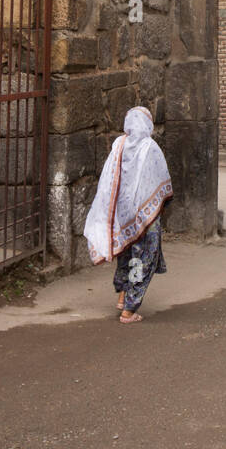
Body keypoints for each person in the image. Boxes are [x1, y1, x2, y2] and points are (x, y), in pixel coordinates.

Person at [84, 106, 173, 325]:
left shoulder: (118, 145)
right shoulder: (150, 147)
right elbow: (161, 179)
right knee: (144, 258)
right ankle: (130, 310)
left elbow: (108, 180)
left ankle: (123, 295)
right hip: (146, 216)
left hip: (123, 214)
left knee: (127, 253)